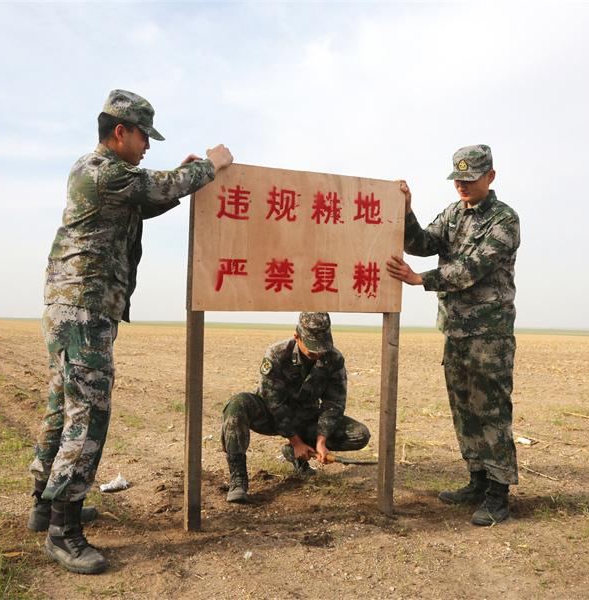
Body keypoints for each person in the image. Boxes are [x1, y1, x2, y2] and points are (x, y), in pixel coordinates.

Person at [28, 89, 234, 574]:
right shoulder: (99, 170)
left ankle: (44, 504)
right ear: (119, 131)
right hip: (83, 310)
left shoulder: (112, 179)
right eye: (144, 136)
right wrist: (209, 166)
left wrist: (185, 180)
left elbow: (148, 200)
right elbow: (155, 187)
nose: (147, 147)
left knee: (63, 405)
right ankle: (64, 531)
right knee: (89, 414)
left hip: (76, 307)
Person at [386, 145, 520, 526]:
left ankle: (498, 493)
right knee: (463, 409)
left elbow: (472, 268)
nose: (462, 185)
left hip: (489, 335)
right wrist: (406, 210)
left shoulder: (504, 220)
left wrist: (420, 279)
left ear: (490, 177)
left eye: (470, 178)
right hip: (457, 330)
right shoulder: (453, 214)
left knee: (490, 411)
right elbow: (422, 244)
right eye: (458, 179)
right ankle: (476, 480)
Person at [220, 312, 371, 503]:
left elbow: (334, 403)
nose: (318, 354)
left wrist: (321, 440)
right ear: (297, 337)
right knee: (238, 404)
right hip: (271, 415)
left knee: (359, 434)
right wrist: (295, 440)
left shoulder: (334, 358)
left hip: (305, 416)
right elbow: (275, 404)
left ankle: (298, 454)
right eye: (312, 349)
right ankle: (238, 479)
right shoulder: (276, 354)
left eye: (322, 348)